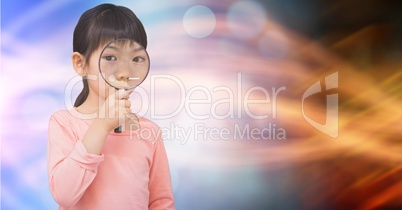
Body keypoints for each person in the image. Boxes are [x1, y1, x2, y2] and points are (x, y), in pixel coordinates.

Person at [47, 4, 175, 210]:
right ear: (81, 64)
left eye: (137, 59)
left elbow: (161, 202)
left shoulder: (149, 132)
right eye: (110, 57)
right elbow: (64, 195)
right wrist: (101, 126)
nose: (125, 71)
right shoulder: (64, 124)